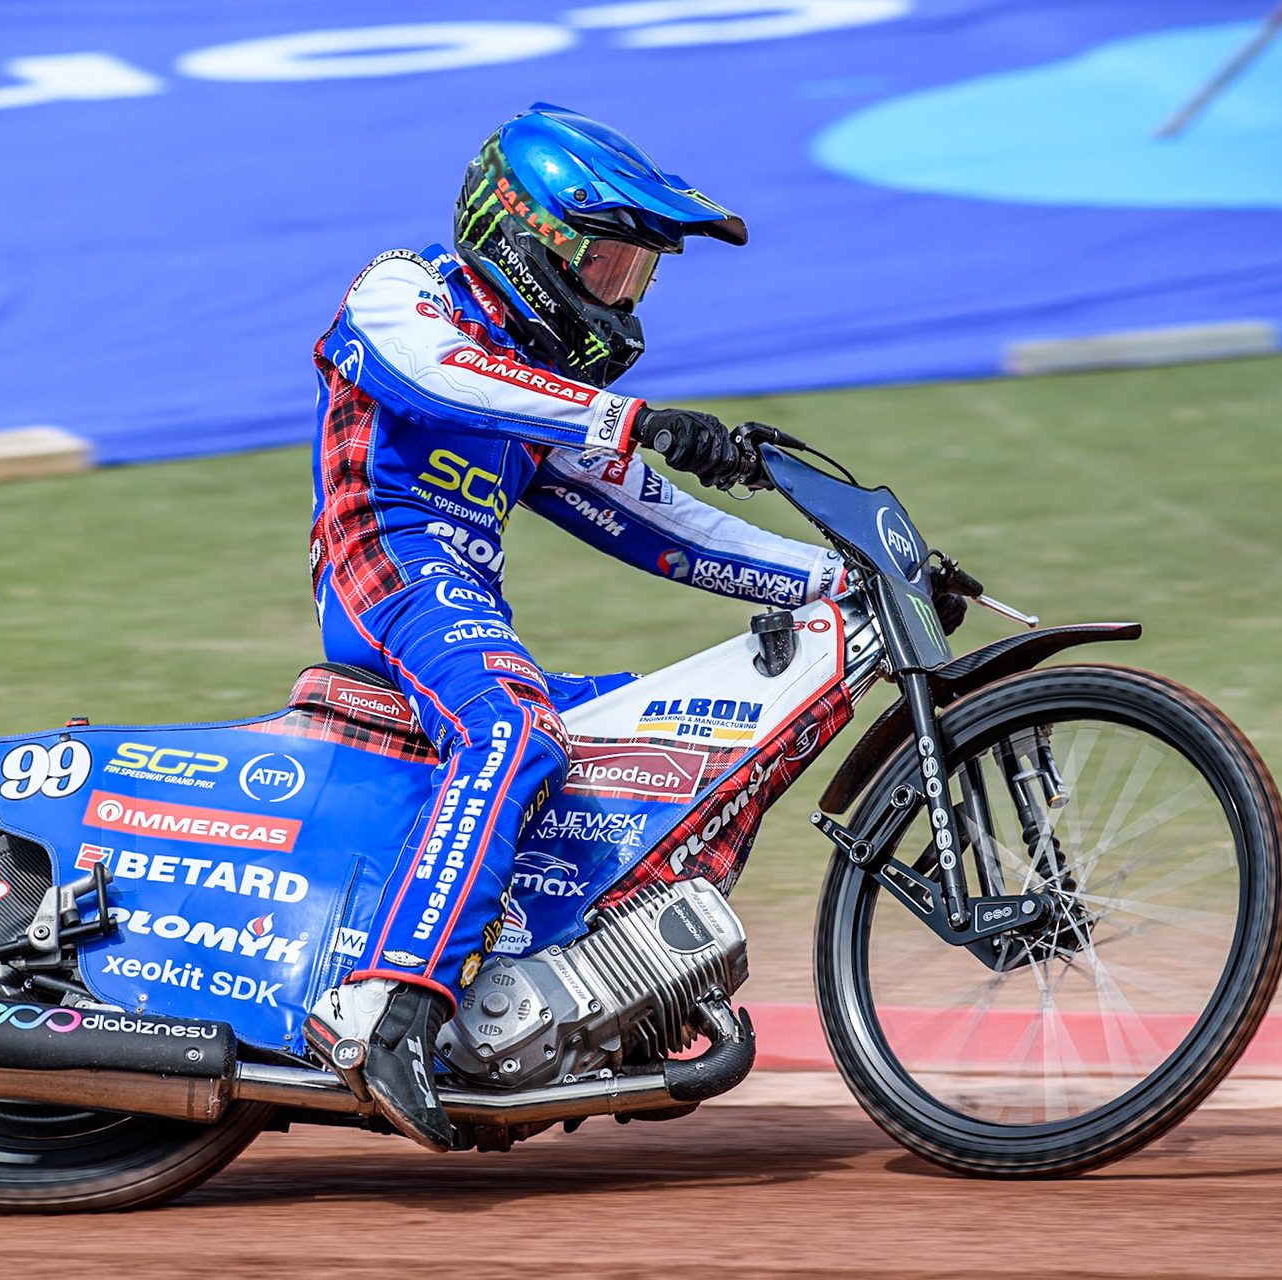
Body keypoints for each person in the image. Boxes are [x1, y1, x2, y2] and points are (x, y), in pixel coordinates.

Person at [296, 105, 871, 1150]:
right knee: (512, 732)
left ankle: (569, 982)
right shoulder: (405, 289)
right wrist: (623, 415)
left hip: (463, 604)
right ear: (527, 236)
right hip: (386, 573)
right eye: (608, 265)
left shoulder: (546, 398)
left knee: (652, 739)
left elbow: (666, 522)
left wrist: (848, 576)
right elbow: (436, 372)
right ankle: (395, 1010)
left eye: (636, 277)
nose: (623, 296)